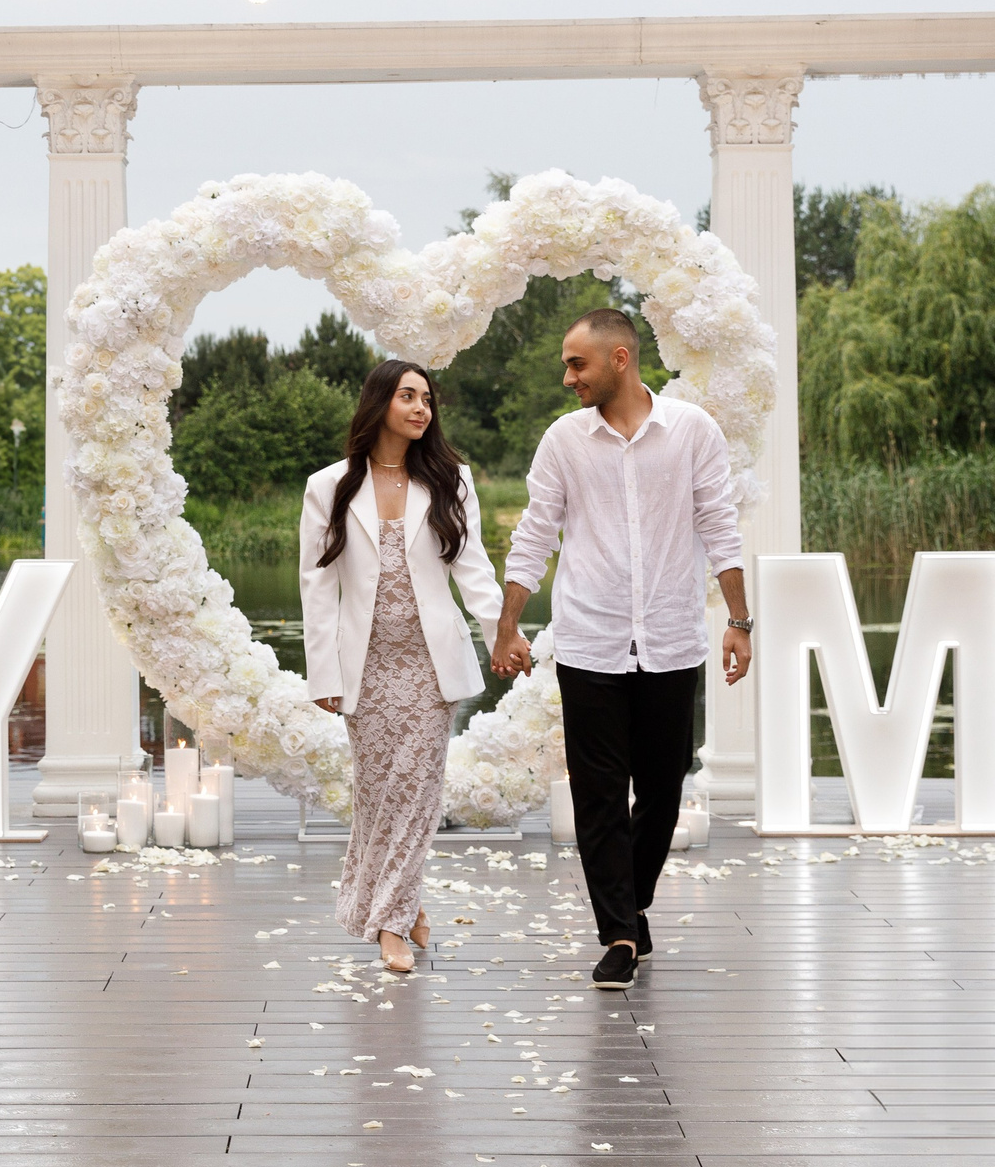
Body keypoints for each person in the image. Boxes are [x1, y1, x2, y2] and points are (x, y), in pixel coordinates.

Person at [492, 308, 750, 991]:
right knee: (600, 794)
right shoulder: (562, 441)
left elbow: (720, 527)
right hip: (589, 639)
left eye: (577, 363)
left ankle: (630, 901)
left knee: (663, 789)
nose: (567, 376)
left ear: (620, 360)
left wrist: (740, 620)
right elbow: (534, 536)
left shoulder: (693, 431)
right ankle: (620, 933)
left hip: (670, 639)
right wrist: (507, 624)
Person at [301, 359, 503, 974]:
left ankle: (388, 923)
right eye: (408, 396)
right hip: (365, 667)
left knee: (416, 793)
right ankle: (407, 905)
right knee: (378, 797)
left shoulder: (450, 480)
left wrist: (502, 634)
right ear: (379, 402)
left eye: (427, 399)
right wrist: (323, 676)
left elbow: (474, 568)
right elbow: (317, 586)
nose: (422, 409)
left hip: (429, 666)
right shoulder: (328, 485)